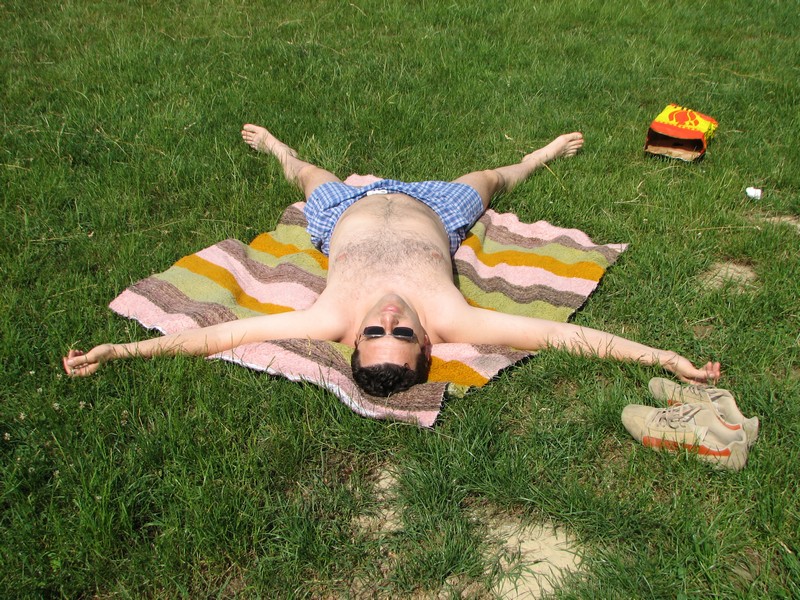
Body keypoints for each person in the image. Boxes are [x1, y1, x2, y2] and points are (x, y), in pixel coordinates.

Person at [64, 124, 721, 396]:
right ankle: (539, 157)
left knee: (306, 173)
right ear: (425, 343)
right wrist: (664, 358)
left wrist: (121, 351)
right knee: (495, 177)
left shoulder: (329, 318)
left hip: (340, 217)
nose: (387, 317)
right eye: (400, 333)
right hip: (437, 210)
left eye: (376, 332)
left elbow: (219, 336)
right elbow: (562, 337)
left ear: (353, 339)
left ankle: (276, 149)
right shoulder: (452, 318)